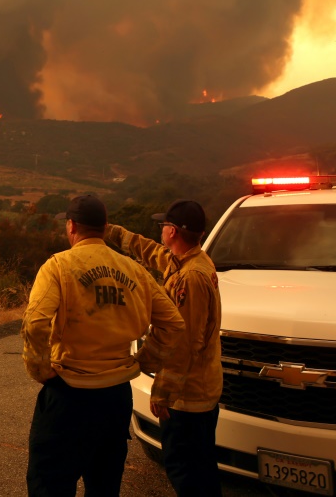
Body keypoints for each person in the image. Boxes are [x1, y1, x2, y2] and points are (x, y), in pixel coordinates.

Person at [22, 194, 185, 497]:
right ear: (105, 227)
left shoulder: (58, 266)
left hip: (68, 394)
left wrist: (40, 370)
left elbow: (35, 323)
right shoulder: (134, 270)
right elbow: (173, 323)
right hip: (115, 399)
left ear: (71, 226)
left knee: (50, 484)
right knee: (104, 485)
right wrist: (144, 362)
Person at [105, 199, 223, 496]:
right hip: (197, 388)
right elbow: (149, 251)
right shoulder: (190, 260)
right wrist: (109, 232)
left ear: (173, 231)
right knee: (201, 465)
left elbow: (183, 341)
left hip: (188, 396)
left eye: (163, 225)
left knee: (186, 469)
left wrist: (163, 390)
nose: (160, 231)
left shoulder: (190, 278)